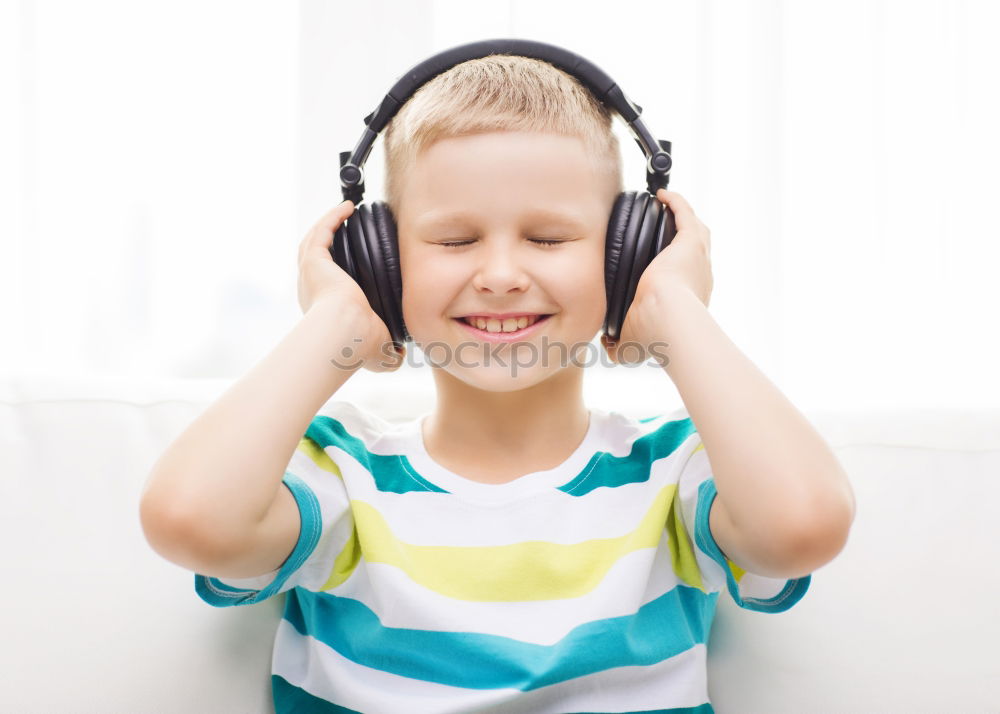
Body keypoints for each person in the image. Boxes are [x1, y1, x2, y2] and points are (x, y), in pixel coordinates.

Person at [139, 51, 856, 713]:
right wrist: (336, 322)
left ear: (624, 258)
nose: (503, 275)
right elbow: (190, 520)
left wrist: (673, 311)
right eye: (454, 241)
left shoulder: (672, 477)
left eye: (548, 238)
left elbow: (802, 526)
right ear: (380, 264)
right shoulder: (345, 483)